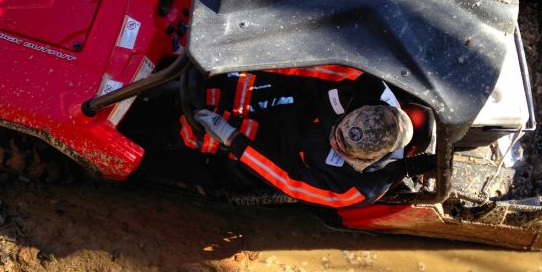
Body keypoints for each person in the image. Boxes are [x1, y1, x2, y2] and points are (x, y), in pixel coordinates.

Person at [181, 65, 436, 207]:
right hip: (290, 103)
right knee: (217, 80)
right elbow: (301, 67)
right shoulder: (361, 82)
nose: (334, 143)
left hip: (277, 154)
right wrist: (235, 61)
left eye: (342, 149)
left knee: (187, 136)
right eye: (338, 134)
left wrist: (231, 138)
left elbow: (288, 179)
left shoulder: (356, 189)